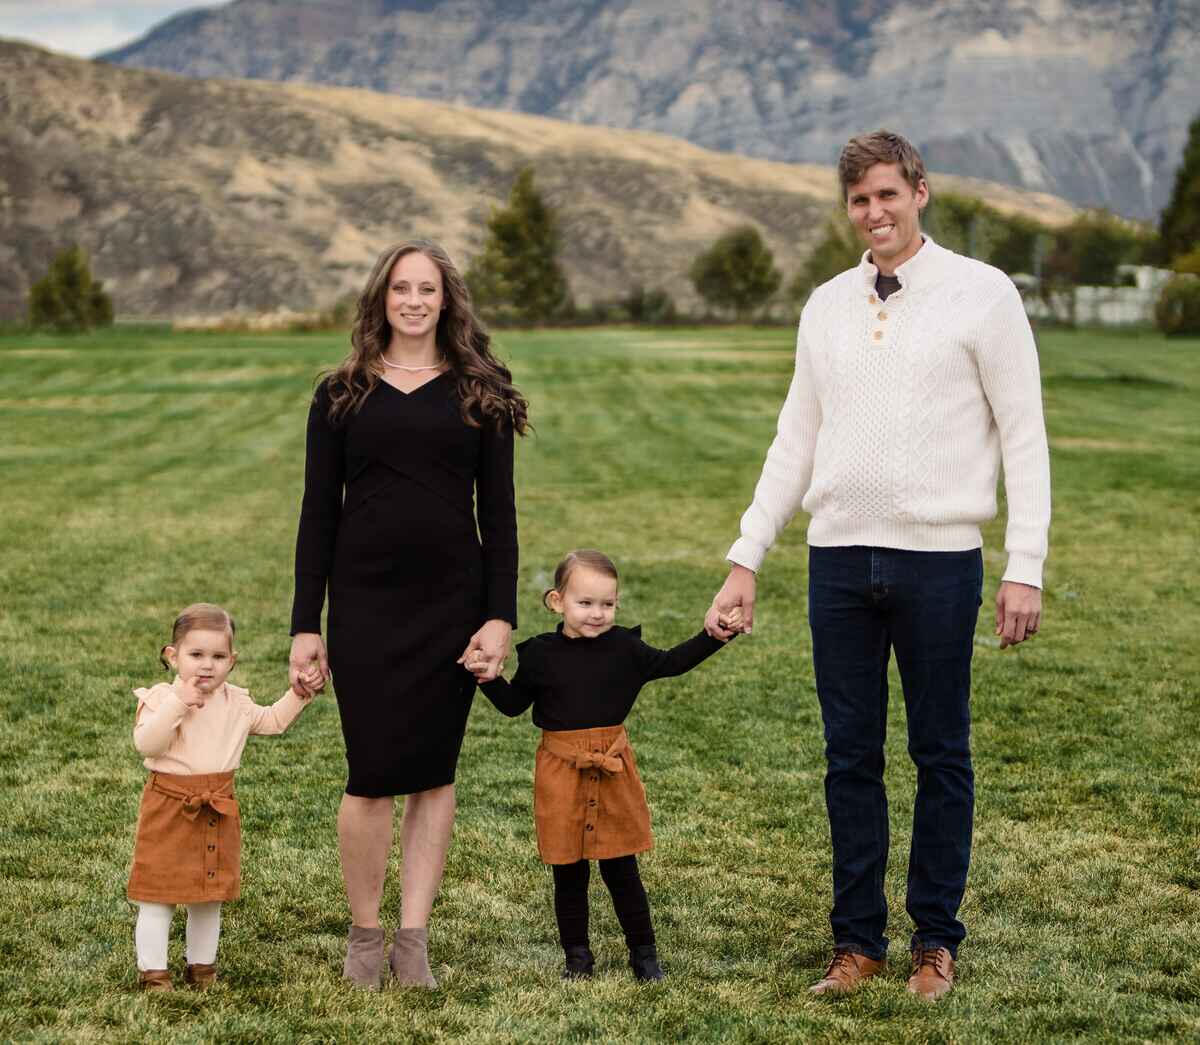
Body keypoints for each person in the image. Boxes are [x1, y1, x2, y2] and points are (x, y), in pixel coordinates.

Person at [705, 130, 1051, 1000]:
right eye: (860, 200)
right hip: (839, 561)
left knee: (942, 752)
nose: (875, 212)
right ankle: (855, 943)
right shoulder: (825, 304)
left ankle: (935, 940)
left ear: (921, 192)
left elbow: (1025, 434)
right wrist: (747, 554)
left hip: (942, 561)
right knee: (848, 755)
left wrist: (1027, 562)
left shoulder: (984, 294)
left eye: (889, 195)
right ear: (848, 208)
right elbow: (796, 437)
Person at [289, 239, 529, 989]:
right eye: (402, 288)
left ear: (447, 300)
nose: (415, 300)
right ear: (381, 299)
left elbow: (502, 518)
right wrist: (306, 622)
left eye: (428, 288)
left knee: (433, 772)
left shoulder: (477, 393)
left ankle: (413, 938)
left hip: (449, 608)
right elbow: (315, 516)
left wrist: (499, 617)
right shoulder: (340, 394)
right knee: (370, 774)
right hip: (364, 606)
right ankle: (366, 934)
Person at [471, 549, 740, 981]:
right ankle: (577, 959)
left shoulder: (626, 650)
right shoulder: (540, 655)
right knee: (569, 872)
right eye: (585, 603)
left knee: (622, 868)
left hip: (613, 769)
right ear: (557, 602)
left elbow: (673, 663)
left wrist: (714, 636)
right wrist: (486, 677)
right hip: (561, 772)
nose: (598, 614)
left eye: (607, 604)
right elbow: (512, 706)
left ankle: (645, 956)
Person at [127, 603, 316, 991]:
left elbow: (273, 721)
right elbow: (147, 742)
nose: (206, 666)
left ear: (232, 661)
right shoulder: (161, 698)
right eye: (196, 655)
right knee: (157, 895)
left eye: (217, 657)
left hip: (218, 805)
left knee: (207, 896)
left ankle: (202, 968)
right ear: (173, 656)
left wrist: (297, 694)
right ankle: (154, 974)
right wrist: (178, 705)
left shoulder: (236, 702)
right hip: (169, 805)